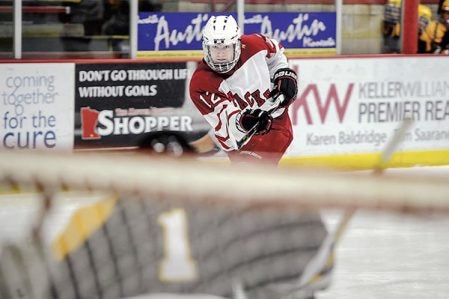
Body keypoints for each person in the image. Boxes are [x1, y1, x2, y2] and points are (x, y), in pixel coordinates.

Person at [189, 15, 298, 165]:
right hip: (237, 140)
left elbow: (276, 55)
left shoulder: (255, 44)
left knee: (250, 174)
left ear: (237, 44)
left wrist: (283, 73)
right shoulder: (200, 83)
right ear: (206, 47)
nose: (220, 54)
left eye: (226, 47)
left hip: (275, 124)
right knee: (243, 180)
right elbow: (225, 119)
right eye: (215, 48)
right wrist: (244, 121)